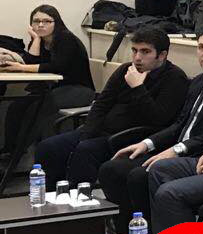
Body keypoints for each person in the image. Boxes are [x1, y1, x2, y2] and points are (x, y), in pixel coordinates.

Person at [99, 23, 203, 233]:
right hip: (180, 148)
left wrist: (177, 149)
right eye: (201, 47)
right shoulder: (199, 81)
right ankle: (131, 233)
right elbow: (180, 123)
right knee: (112, 168)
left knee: (139, 176)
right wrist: (147, 143)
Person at [33, 27, 188, 186]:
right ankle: (52, 194)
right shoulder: (125, 70)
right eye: (134, 50)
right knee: (48, 147)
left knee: (86, 150)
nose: (137, 58)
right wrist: (87, 133)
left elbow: (158, 119)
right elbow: (101, 104)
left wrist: (137, 88)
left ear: (162, 55)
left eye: (145, 52)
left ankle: (79, 195)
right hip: (102, 131)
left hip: (132, 137)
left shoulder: (175, 78)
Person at [0, 5, 95, 163]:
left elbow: (57, 67)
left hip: (79, 91)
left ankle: (16, 156)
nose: (40, 25)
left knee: (36, 109)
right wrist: (36, 39)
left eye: (46, 21)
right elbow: (32, 62)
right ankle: (10, 150)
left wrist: (21, 67)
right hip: (54, 90)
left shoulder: (66, 39)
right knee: (16, 107)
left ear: (56, 22)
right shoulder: (42, 41)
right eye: (36, 21)